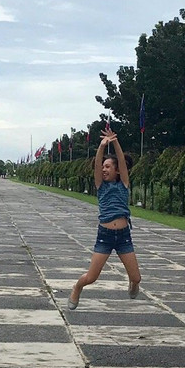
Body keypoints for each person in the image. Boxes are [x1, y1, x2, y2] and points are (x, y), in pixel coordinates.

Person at [68, 127, 141, 309]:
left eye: (108, 167)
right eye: (103, 167)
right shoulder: (100, 185)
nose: (104, 169)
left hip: (124, 236)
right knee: (91, 277)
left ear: (117, 171)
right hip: (105, 236)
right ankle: (77, 287)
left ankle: (133, 284)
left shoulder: (124, 183)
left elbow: (122, 161)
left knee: (136, 277)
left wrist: (114, 141)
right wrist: (101, 146)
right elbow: (97, 163)